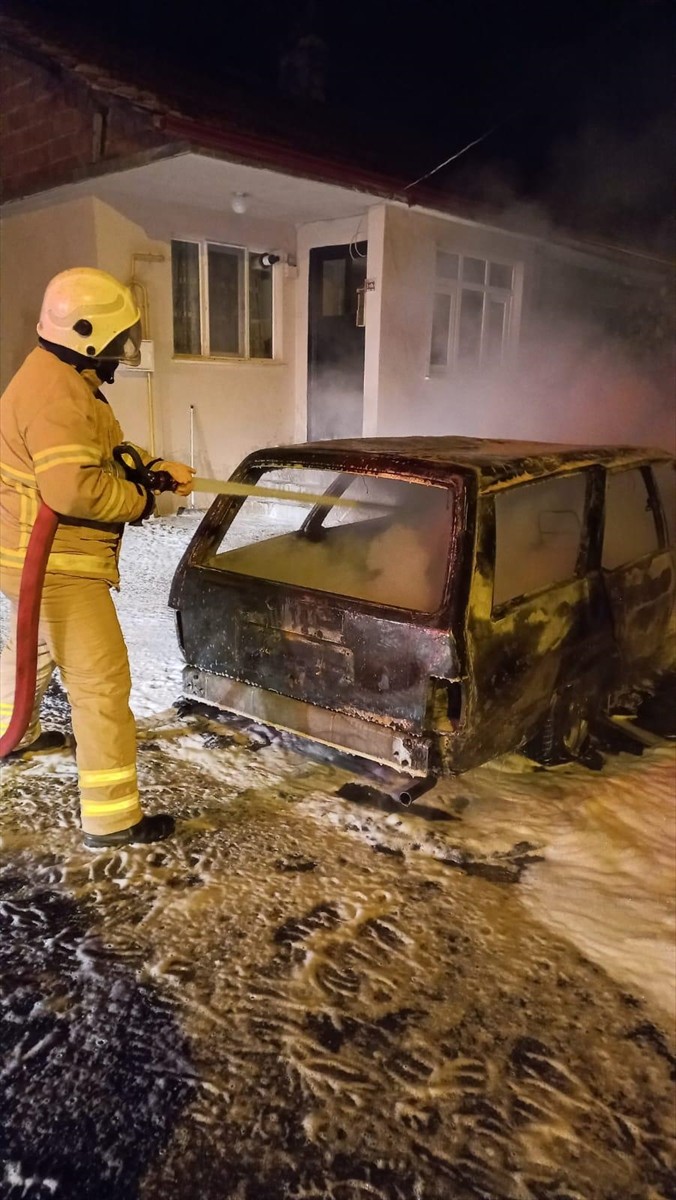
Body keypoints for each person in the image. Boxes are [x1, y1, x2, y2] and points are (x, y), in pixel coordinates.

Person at [0, 267, 195, 849]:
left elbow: (100, 451)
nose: (122, 352)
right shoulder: (59, 395)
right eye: (117, 341)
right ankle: (113, 818)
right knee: (101, 686)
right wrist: (142, 499)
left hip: (33, 563)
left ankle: (15, 733)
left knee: (32, 651)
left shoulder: (60, 378)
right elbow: (73, 489)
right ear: (87, 337)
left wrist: (149, 464)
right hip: (59, 567)